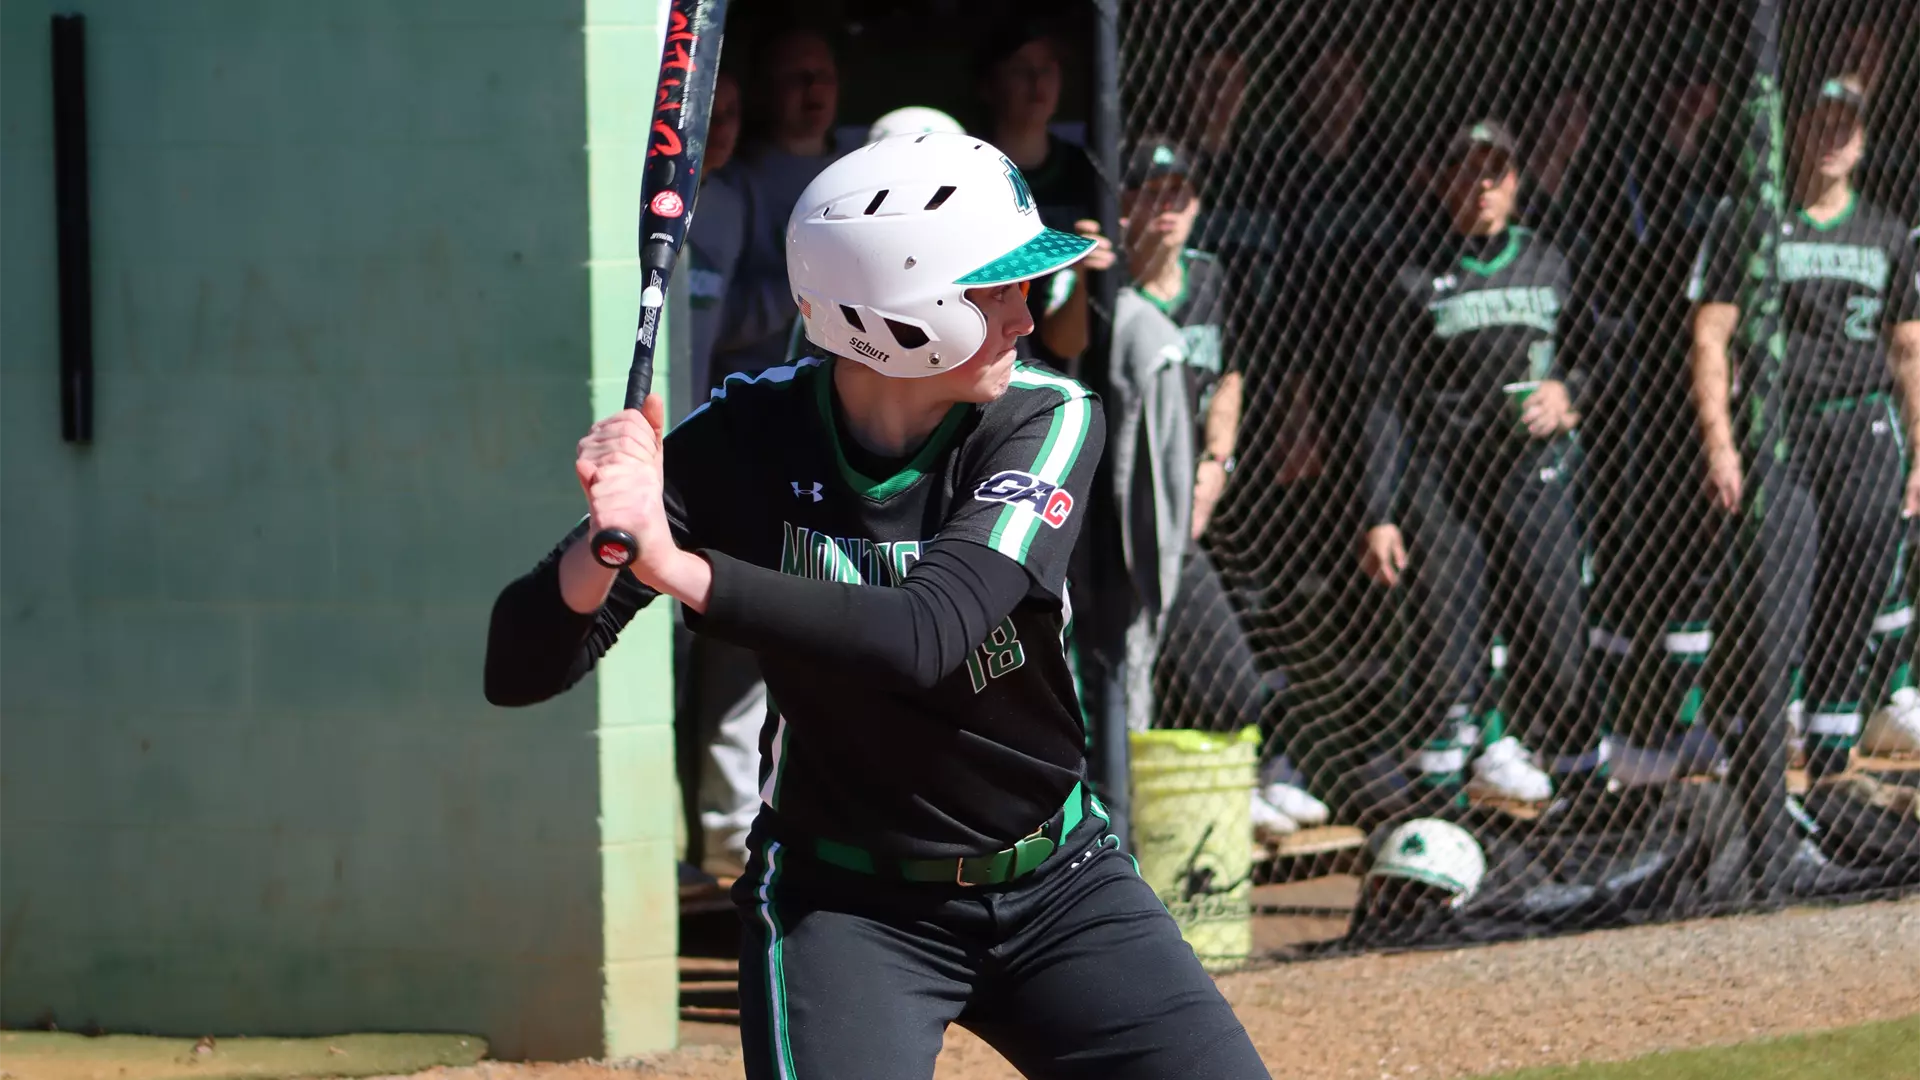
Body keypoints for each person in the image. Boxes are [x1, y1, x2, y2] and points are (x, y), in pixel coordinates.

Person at [485, 133, 1270, 1080]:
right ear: (902, 313)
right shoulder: (745, 438)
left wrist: (682, 570)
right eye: (996, 292)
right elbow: (519, 666)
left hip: (1056, 881)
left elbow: (927, 636)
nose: (1027, 316)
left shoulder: (1045, 416)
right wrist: (610, 535)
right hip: (845, 904)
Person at [1688, 76, 1920, 777]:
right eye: (1819, 123)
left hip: (1865, 432)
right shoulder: (1751, 225)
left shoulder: (1887, 233)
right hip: (1781, 433)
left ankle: (1829, 769)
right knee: (1778, 598)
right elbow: (1710, 335)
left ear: (1864, 142)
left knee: (1855, 597)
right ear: (1793, 134)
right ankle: (1765, 768)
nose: (1831, 139)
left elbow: (1909, 350)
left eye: (1845, 126)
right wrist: (1720, 443)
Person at [1356, 120, 1592, 807]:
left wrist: (1568, 394)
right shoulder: (1410, 273)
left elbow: (1599, 353)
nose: (1482, 186)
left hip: (1532, 473)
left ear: (1516, 181)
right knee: (1446, 642)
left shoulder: (1552, 261)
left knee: (1554, 629)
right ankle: (1440, 799)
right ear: (1443, 181)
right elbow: (1385, 399)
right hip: (1444, 479)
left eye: (1496, 172)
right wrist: (1379, 511)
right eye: (1467, 171)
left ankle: (1555, 774)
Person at [710, 26, 841, 383]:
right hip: (756, 387)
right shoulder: (730, 186)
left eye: (824, 76)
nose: (814, 88)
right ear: (762, 90)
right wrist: (806, 280)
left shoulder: (861, 168)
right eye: (797, 78)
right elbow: (710, 320)